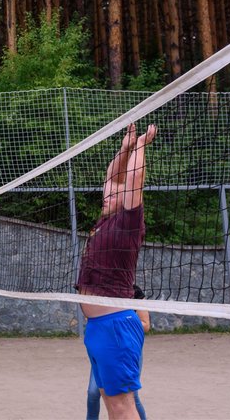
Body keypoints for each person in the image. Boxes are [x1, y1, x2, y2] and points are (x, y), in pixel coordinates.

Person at [76, 122, 157, 419]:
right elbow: (115, 176)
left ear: (126, 200)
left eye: (115, 194)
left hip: (117, 325)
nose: (107, 194)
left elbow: (133, 180)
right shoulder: (104, 221)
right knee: (111, 403)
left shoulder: (128, 223)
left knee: (123, 406)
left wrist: (141, 146)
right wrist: (124, 148)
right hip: (98, 328)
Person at [86, 285, 149, 420]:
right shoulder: (99, 291)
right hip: (105, 345)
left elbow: (145, 324)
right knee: (93, 393)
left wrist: (124, 321)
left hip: (126, 346)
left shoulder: (135, 292)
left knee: (130, 397)